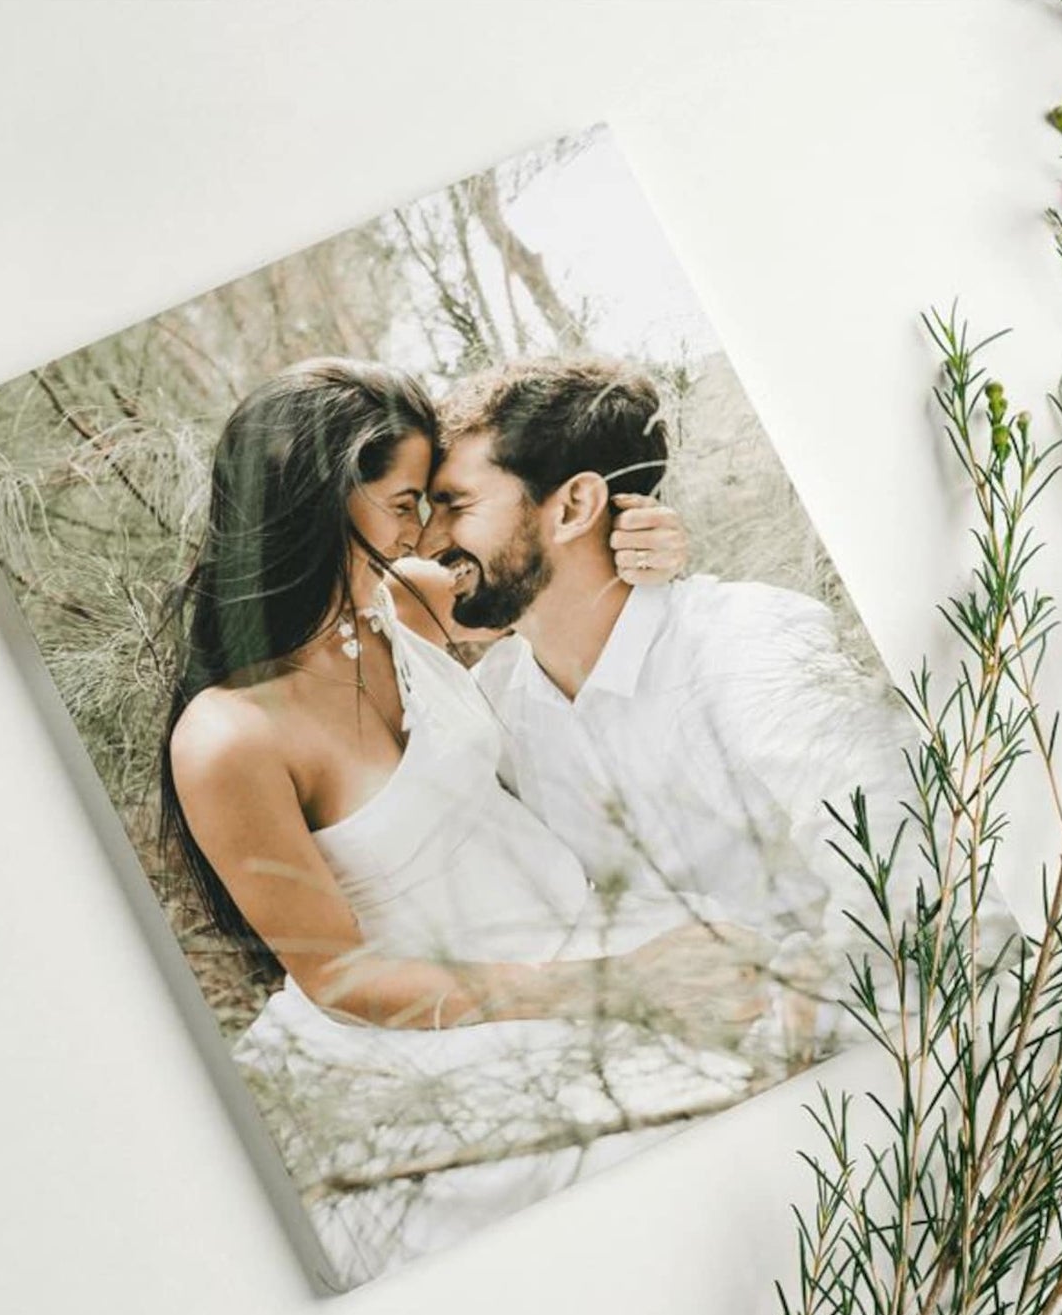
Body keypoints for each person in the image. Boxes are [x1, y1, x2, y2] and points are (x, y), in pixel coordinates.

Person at [159, 358, 780, 1288]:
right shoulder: (228, 738)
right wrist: (618, 987)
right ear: (318, 502)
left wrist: (648, 538)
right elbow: (340, 978)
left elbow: (546, 574)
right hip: (438, 1026)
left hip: (583, 925)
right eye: (404, 503)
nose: (426, 531)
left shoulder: (400, 599)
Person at [414, 355, 1014, 1012]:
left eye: (454, 505)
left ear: (574, 506)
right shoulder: (495, 704)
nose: (425, 539)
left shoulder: (749, 644)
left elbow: (927, 894)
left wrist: (784, 1017)